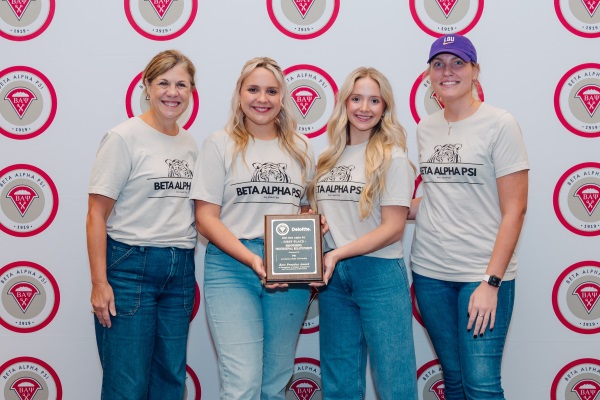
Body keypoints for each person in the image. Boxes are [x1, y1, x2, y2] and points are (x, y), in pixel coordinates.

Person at [410, 34, 529, 400]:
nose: (448, 71)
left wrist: (491, 282)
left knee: (481, 385)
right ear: (429, 74)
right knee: (456, 380)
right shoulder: (425, 128)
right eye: (439, 64)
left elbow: (515, 210)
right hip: (430, 274)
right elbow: (434, 196)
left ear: (475, 71)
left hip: (481, 276)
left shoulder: (500, 123)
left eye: (458, 62)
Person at [190, 57, 315, 400]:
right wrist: (252, 259)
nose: (263, 98)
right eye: (254, 89)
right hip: (233, 266)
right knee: (242, 382)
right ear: (240, 94)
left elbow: (305, 209)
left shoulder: (302, 148)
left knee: (275, 382)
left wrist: (313, 242)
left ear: (282, 97)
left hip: (289, 272)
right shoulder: (219, 144)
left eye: (272, 91)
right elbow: (206, 218)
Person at [86, 50, 198, 400]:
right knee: (127, 383)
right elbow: (95, 214)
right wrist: (99, 283)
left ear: (192, 91)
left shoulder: (190, 143)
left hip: (179, 268)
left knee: (169, 379)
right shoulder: (123, 137)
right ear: (146, 86)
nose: (172, 92)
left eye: (181, 84)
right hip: (129, 267)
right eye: (163, 82)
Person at [306, 67, 417, 400]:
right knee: (339, 380)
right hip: (333, 277)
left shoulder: (393, 157)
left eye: (374, 100)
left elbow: (394, 228)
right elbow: (323, 218)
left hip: (378, 273)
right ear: (344, 103)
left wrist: (336, 253)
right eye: (356, 99)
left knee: (394, 380)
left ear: (385, 108)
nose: (364, 108)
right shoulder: (326, 159)